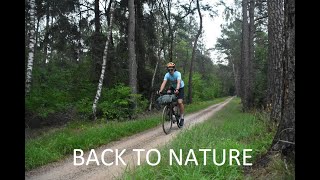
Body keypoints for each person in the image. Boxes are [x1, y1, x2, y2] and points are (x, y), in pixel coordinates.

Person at [158, 62, 185, 127]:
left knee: (179, 102)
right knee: (168, 98)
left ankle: (182, 117)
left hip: (180, 87)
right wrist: (160, 91)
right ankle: (172, 114)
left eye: (171, 69)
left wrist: (177, 89)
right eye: (169, 70)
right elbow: (163, 83)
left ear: (174, 69)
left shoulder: (178, 74)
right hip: (173, 87)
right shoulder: (167, 75)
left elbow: (178, 82)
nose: (170, 71)